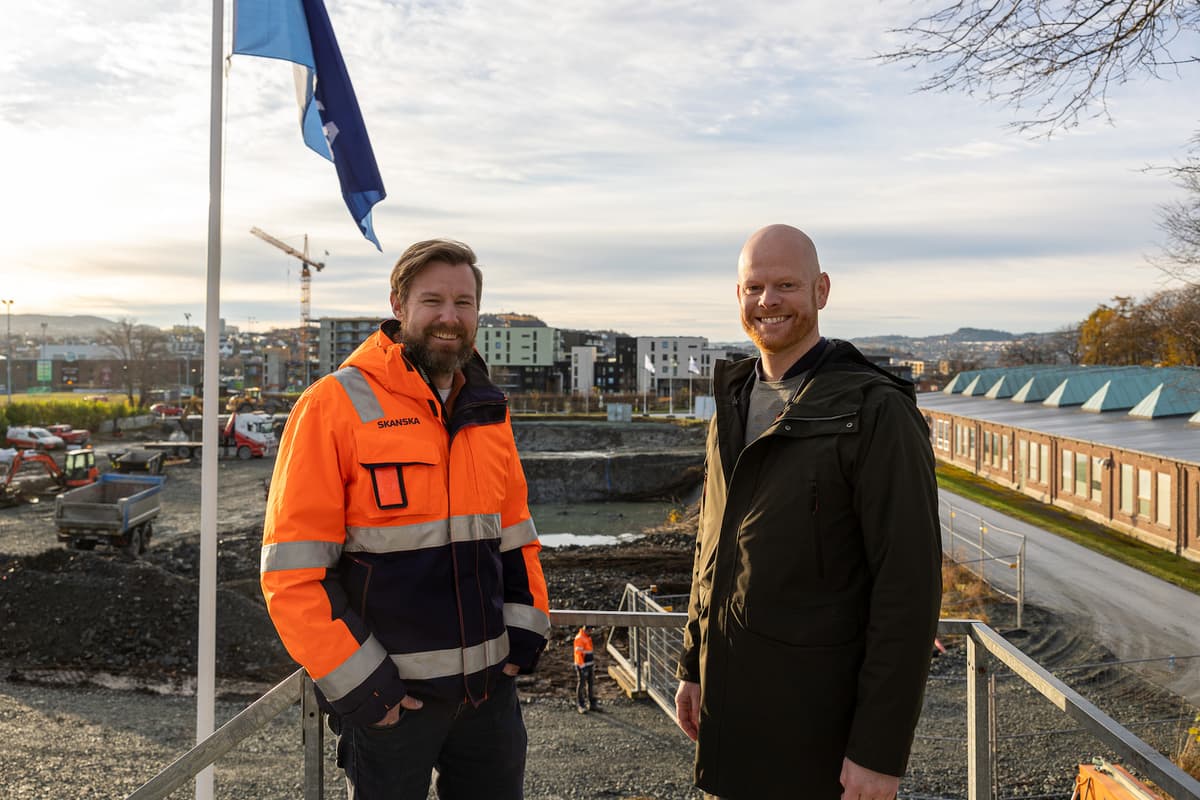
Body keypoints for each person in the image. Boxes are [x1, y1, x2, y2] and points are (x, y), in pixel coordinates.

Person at [261, 238, 551, 800]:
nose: (450, 317)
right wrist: (366, 688)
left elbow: (516, 533)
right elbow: (292, 572)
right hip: (392, 707)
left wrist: (524, 634)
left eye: (464, 303)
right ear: (399, 305)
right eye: (433, 300)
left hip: (488, 702)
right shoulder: (332, 406)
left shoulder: (487, 411)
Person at [673, 224, 942, 800]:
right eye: (754, 287)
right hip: (732, 718)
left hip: (821, 733)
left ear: (821, 290)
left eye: (786, 285)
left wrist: (878, 751)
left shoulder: (875, 412)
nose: (767, 302)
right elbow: (712, 547)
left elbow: (909, 589)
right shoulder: (733, 402)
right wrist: (692, 664)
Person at [573, 626, 597, 713]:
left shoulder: (587, 637)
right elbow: (578, 654)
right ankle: (580, 704)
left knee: (590, 684)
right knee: (582, 684)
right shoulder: (580, 638)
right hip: (582, 666)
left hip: (589, 665)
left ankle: (592, 704)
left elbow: (588, 652)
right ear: (586, 629)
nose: (591, 632)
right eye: (590, 630)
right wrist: (582, 667)